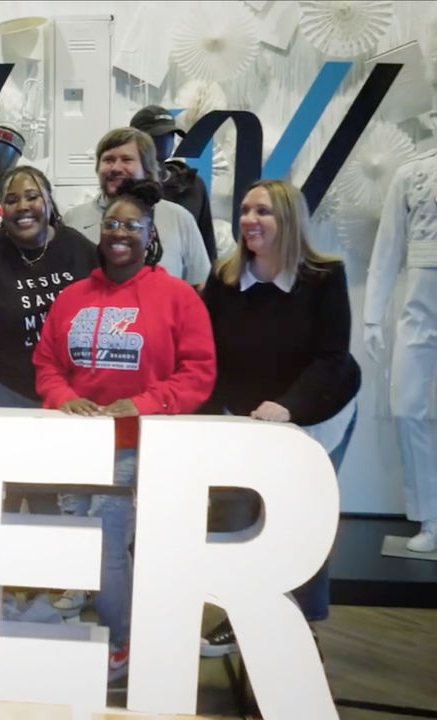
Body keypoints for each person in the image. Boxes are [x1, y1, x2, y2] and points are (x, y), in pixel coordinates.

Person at [34, 179, 216, 681]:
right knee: (81, 547)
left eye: (131, 225)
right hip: (76, 449)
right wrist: (65, 398)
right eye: (111, 223)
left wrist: (140, 404)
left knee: (108, 549)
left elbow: (198, 373)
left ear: (150, 233)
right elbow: (47, 363)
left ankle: (119, 641)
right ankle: (95, 630)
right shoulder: (73, 297)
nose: (119, 233)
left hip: (136, 448)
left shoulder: (178, 297)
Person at [199, 179, 361, 656]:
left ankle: (301, 620)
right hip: (250, 414)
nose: (250, 220)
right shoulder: (224, 278)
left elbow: (331, 358)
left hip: (318, 408)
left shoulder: (324, 277)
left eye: (263, 212)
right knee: (238, 512)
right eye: (246, 210)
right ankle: (240, 615)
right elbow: (209, 355)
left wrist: (290, 408)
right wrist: (231, 414)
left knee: (302, 515)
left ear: (288, 220)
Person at [0, 165, 98, 495]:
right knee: (2, 502)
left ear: (49, 200)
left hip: (68, 401)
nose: (23, 206)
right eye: (12, 199)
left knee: (58, 506)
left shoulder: (80, 250)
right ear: (2, 207)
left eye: (32, 196)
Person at [363, 147, 437, 553]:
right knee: (406, 409)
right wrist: (373, 316)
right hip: (419, 313)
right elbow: (388, 248)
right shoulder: (413, 172)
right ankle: (430, 515)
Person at [62, 127, 210, 286]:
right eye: (108, 160)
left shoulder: (178, 219)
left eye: (127, 160)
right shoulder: (73, 220)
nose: (116, 168)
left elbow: (200, 285)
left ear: (147, 169)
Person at [129, 105, 217, 263]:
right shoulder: (128, 187)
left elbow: (206, 242)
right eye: (156, 136)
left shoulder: (193, 185)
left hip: (185, 281)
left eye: (170, 134)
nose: (165, 141)